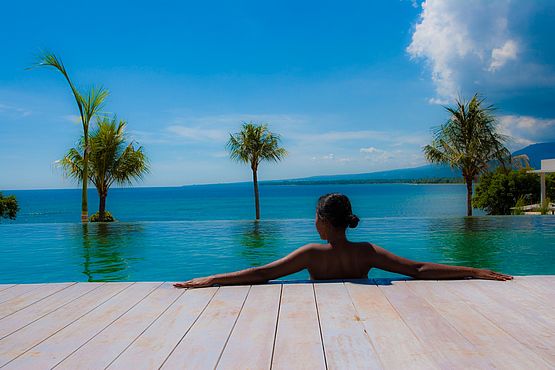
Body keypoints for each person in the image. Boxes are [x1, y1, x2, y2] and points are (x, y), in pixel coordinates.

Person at [174, 193, 512, 289]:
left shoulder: (310, 254)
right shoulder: (366, 252)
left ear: (321, 221)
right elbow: (419, 269)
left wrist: (215, 278)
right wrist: (473, 269)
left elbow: (263, 274)